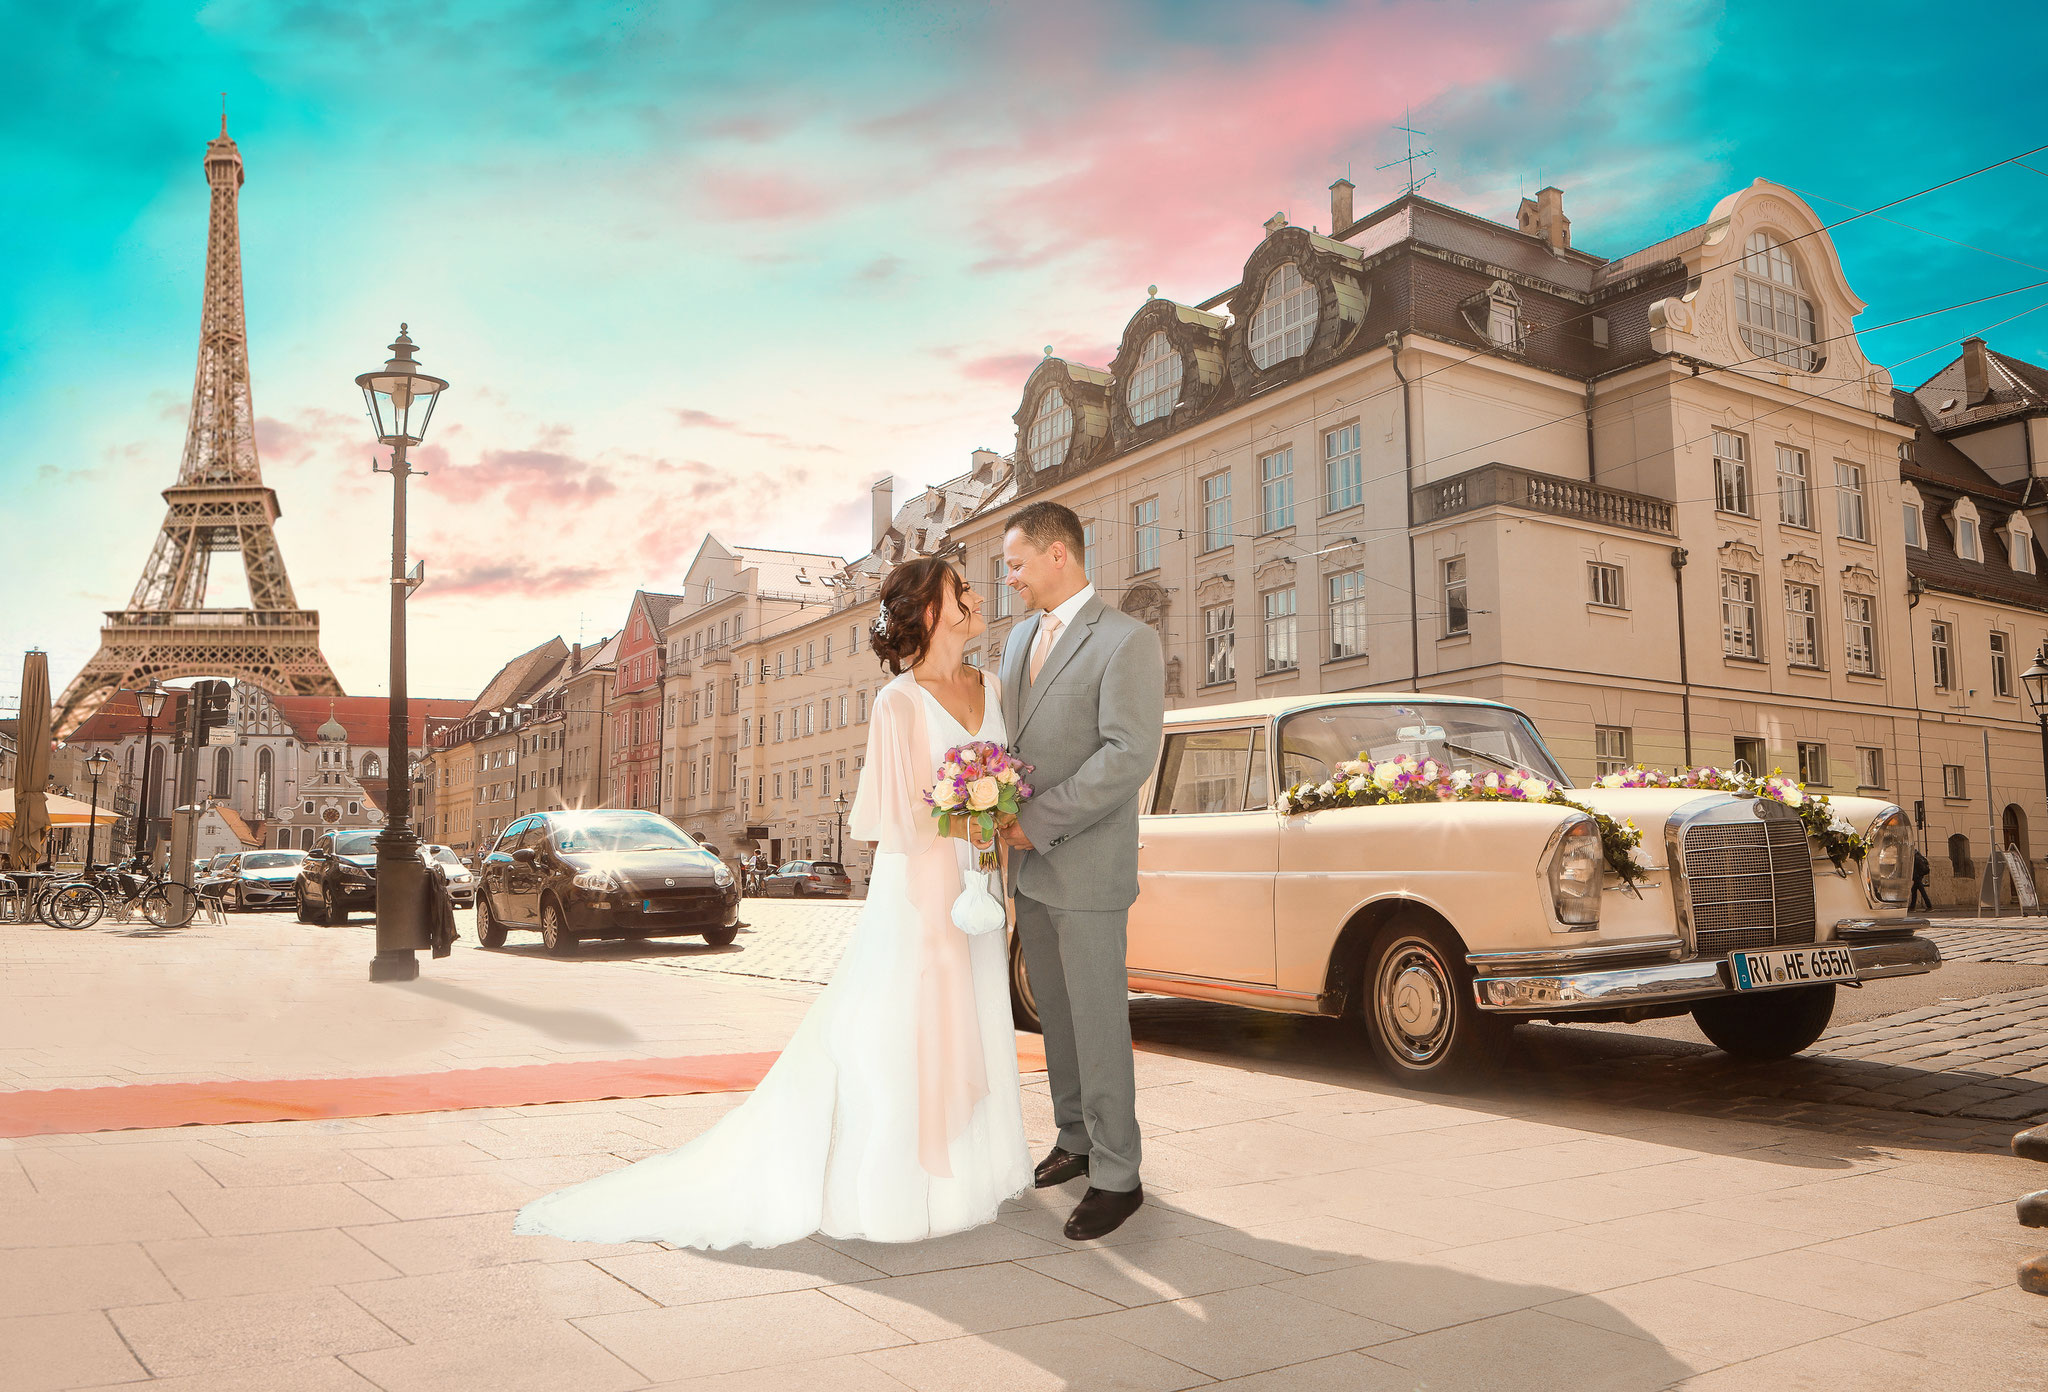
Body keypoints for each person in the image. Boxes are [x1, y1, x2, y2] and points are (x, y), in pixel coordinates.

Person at [513, 557, 1030, 1248]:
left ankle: (974, 1169)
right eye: (959, 588)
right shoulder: (898, 701)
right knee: (914, 1024)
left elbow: (999, 775)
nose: (975, 594)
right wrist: (971, 811)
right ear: (931, 613)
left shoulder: (992, 686)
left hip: (983, 879)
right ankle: (908, 1180)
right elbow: (896, 818)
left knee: (976, 1014)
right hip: (924, 889)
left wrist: (994, 811)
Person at [997, 500, 1166, 1242]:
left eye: (1017, 564)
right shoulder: (1016, 642)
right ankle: (1074, 1139)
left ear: (1057, 555)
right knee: (1055, 1018)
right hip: (1029, 873)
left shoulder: (1128, 641)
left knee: (1098, 1023)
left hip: (1086, 867)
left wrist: (1036, 822)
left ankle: (1118, 1175)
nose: (1011, 580)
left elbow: (1128, 755)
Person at [1910, 847, 1932, 913]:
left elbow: (1916, 868)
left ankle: (1929, 906)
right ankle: (1912, 907)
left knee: (1922, 891)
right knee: (1914, 890)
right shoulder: (1919, 856)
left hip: (1917, 877)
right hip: (1919, 876)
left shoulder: (1916, 858)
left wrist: (1916, 875)